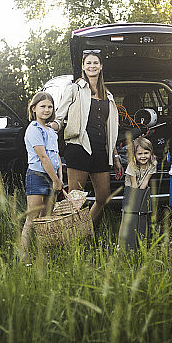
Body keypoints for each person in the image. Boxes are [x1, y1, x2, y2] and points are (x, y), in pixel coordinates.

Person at [49, 50, 123, 224]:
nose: (92, 66)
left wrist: (116, 156)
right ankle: (72, 237)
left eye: (95, 63)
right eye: (88, 63)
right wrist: (50, 126)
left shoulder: (107, 95)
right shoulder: (75, 89)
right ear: (83, 66)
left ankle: (85, 231)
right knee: (75, 200)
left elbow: (109, 130)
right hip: (78, 148)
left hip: (100, 151)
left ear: (101, 66)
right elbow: (60, 117)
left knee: (103, 198)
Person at [20, 91, 63, 263]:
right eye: (42, 106)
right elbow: (43, 157)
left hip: (53, 177)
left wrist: (59, 177)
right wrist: (55, 180)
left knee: (47, 218)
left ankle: (43, 255)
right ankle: (24, 256)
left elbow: (56, 156)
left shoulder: (51, 130)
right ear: (34, 108)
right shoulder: (33, 129)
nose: (46, 110)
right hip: (38, 176)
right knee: (33, 218)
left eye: (49, 107)